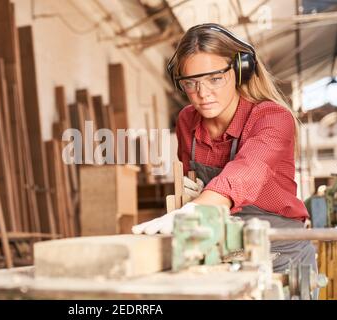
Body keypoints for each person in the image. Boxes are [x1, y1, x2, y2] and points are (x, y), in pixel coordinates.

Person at [132, 23, 317, 276]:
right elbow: (190, 181)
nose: (202, 94)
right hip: (222, 252)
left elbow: (249, 168)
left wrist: (196, 209)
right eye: (191, 83)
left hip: (281, 253)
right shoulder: (187, 121)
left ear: (241, 70)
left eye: (215, 79)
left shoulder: (273, 117)